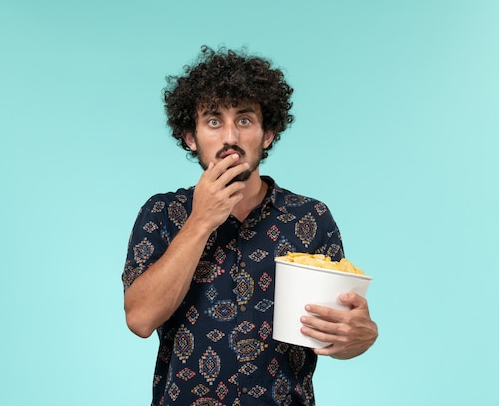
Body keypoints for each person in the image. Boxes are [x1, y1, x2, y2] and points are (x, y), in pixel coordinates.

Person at [122, 46, 378, 406]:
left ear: (267, 134)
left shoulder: (311, 218)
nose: (230, 137)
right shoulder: (162, 212)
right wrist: (200, 220)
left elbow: (334, 335)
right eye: (213, 121)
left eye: (244, 120)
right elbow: (140, 319)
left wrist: (361, 337)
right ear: (190, 137)